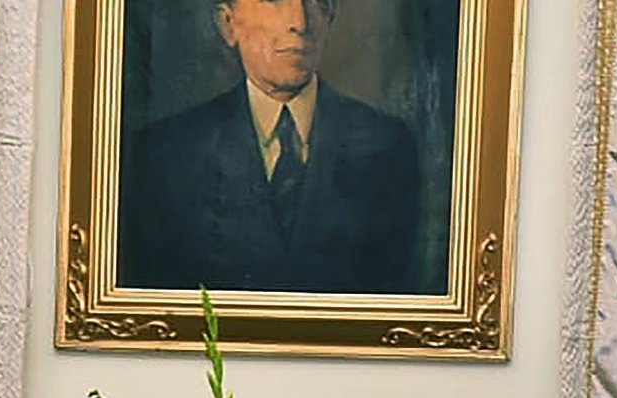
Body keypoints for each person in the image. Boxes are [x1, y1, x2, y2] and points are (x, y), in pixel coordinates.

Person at [118, 0, 424, 294]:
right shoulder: (166, 153)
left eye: (316, 1)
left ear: (330, 16)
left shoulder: (388, 146)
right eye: (273, 0)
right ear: (228, 24)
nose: (299, 22)